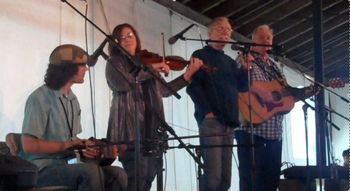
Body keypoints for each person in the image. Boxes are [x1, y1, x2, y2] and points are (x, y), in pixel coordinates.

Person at [105, 23, 203, 191]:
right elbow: (124, 82)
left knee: (148, 180)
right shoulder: (114, 62)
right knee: (136, 181)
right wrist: (153, 67)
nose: (127, 39)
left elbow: (164, 91)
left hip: (152, 133)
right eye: (122, 37)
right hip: (130, 133)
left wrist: (187, 75)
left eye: (130, 35)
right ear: (116, 43)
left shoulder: (144, 63)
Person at [21, 44, 127, 191]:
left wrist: (84, 147)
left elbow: (72, 140)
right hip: (42, 169)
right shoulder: (39, 98)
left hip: (68, 164)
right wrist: (68, 145)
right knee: (89, 172)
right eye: (82, 65)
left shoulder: (73, 100)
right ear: (67, 68)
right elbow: (29, 145)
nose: (86, 68)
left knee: (118, 174)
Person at [235, 25, 317, 191]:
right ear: (253, 40)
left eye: (269, 38)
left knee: (271, 182)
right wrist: (259, 88)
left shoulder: (275, 66)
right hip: (251, 131)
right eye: (262, 37)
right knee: (251, 182)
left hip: (274, 134)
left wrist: (311, 91)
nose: (266, 41)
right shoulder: (245, 58)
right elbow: (240, 85)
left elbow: (285, 95)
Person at [186, 17, 250, 191]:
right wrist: (206, 112)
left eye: (228, 30)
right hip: (212, 122)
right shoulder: (200, 55)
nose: (225, 32)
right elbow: (193, 87)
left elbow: (242, 87)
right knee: (213, 177)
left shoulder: (229, 61)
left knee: (225, 179)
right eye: (221, 29)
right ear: (210, 32)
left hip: (229, 122)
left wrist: (244, 70)